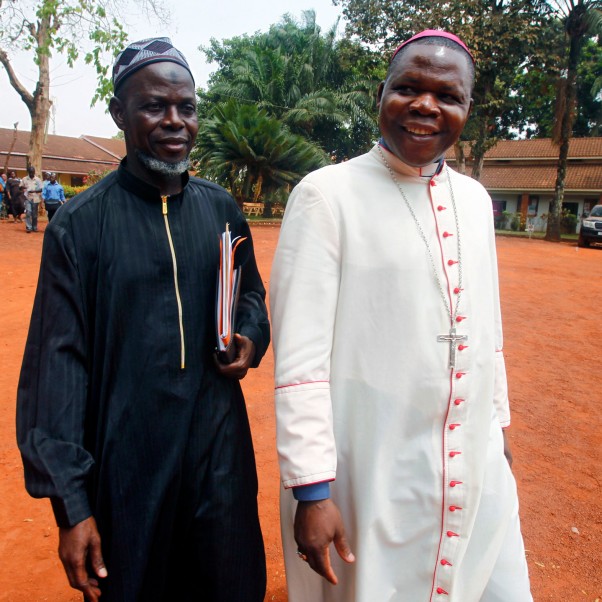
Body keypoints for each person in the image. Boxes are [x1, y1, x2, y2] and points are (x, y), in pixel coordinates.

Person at [270, 30, 532, 602]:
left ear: (466, 109)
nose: (425, 106)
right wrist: (313, 490)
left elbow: (488, 329)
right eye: (408, 87)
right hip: (372, 461)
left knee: (494, 583)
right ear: (381, 94)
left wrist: (497, 426)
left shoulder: (475, 201)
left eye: (448, 96)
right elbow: (301, 359)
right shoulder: (326, 196)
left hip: (472, 454)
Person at [17, 37, 270, 602]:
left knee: (229, 583)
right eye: (155, 106)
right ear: (119, 113)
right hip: (128, 463)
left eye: (187, 107)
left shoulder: (220, 209)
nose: (175, 121)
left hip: (218, 455)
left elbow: (250, 295)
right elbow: (58, 366)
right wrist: (72, 506)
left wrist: (249, 338)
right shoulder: (79, 226)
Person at [21, 166, 43, 232]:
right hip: (27, 198)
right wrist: (23, 187)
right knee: (28, 212)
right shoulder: (24, 179)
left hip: (35, 198)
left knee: (34, 214)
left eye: (32, 172)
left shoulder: (38, 180)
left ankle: (34, 227)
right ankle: (28, 227)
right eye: (30, 172)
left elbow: (41, 189)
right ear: (28, 172)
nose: (31, 173)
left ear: (34, 172)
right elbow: (20, 187)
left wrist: (34, 191)